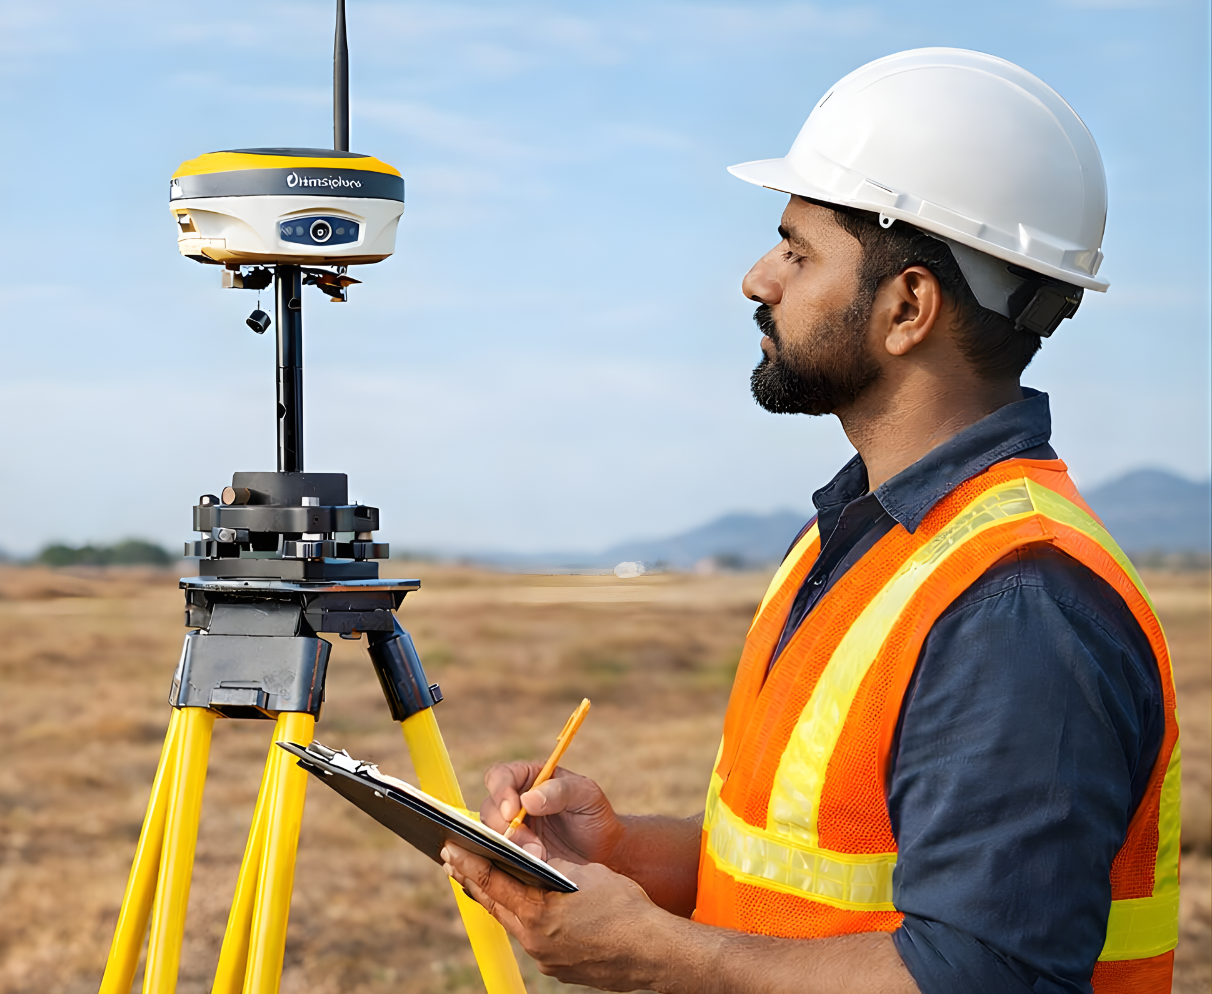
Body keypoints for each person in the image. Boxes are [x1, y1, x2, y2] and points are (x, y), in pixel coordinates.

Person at [440, 48, 1181, 994]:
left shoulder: (1018, 602)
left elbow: (986, 975)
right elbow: (803, 888)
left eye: (797, 250)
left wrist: (658, 955)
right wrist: (621, 854)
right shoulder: (855, 541)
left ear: (907, 305)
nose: (758, 279)